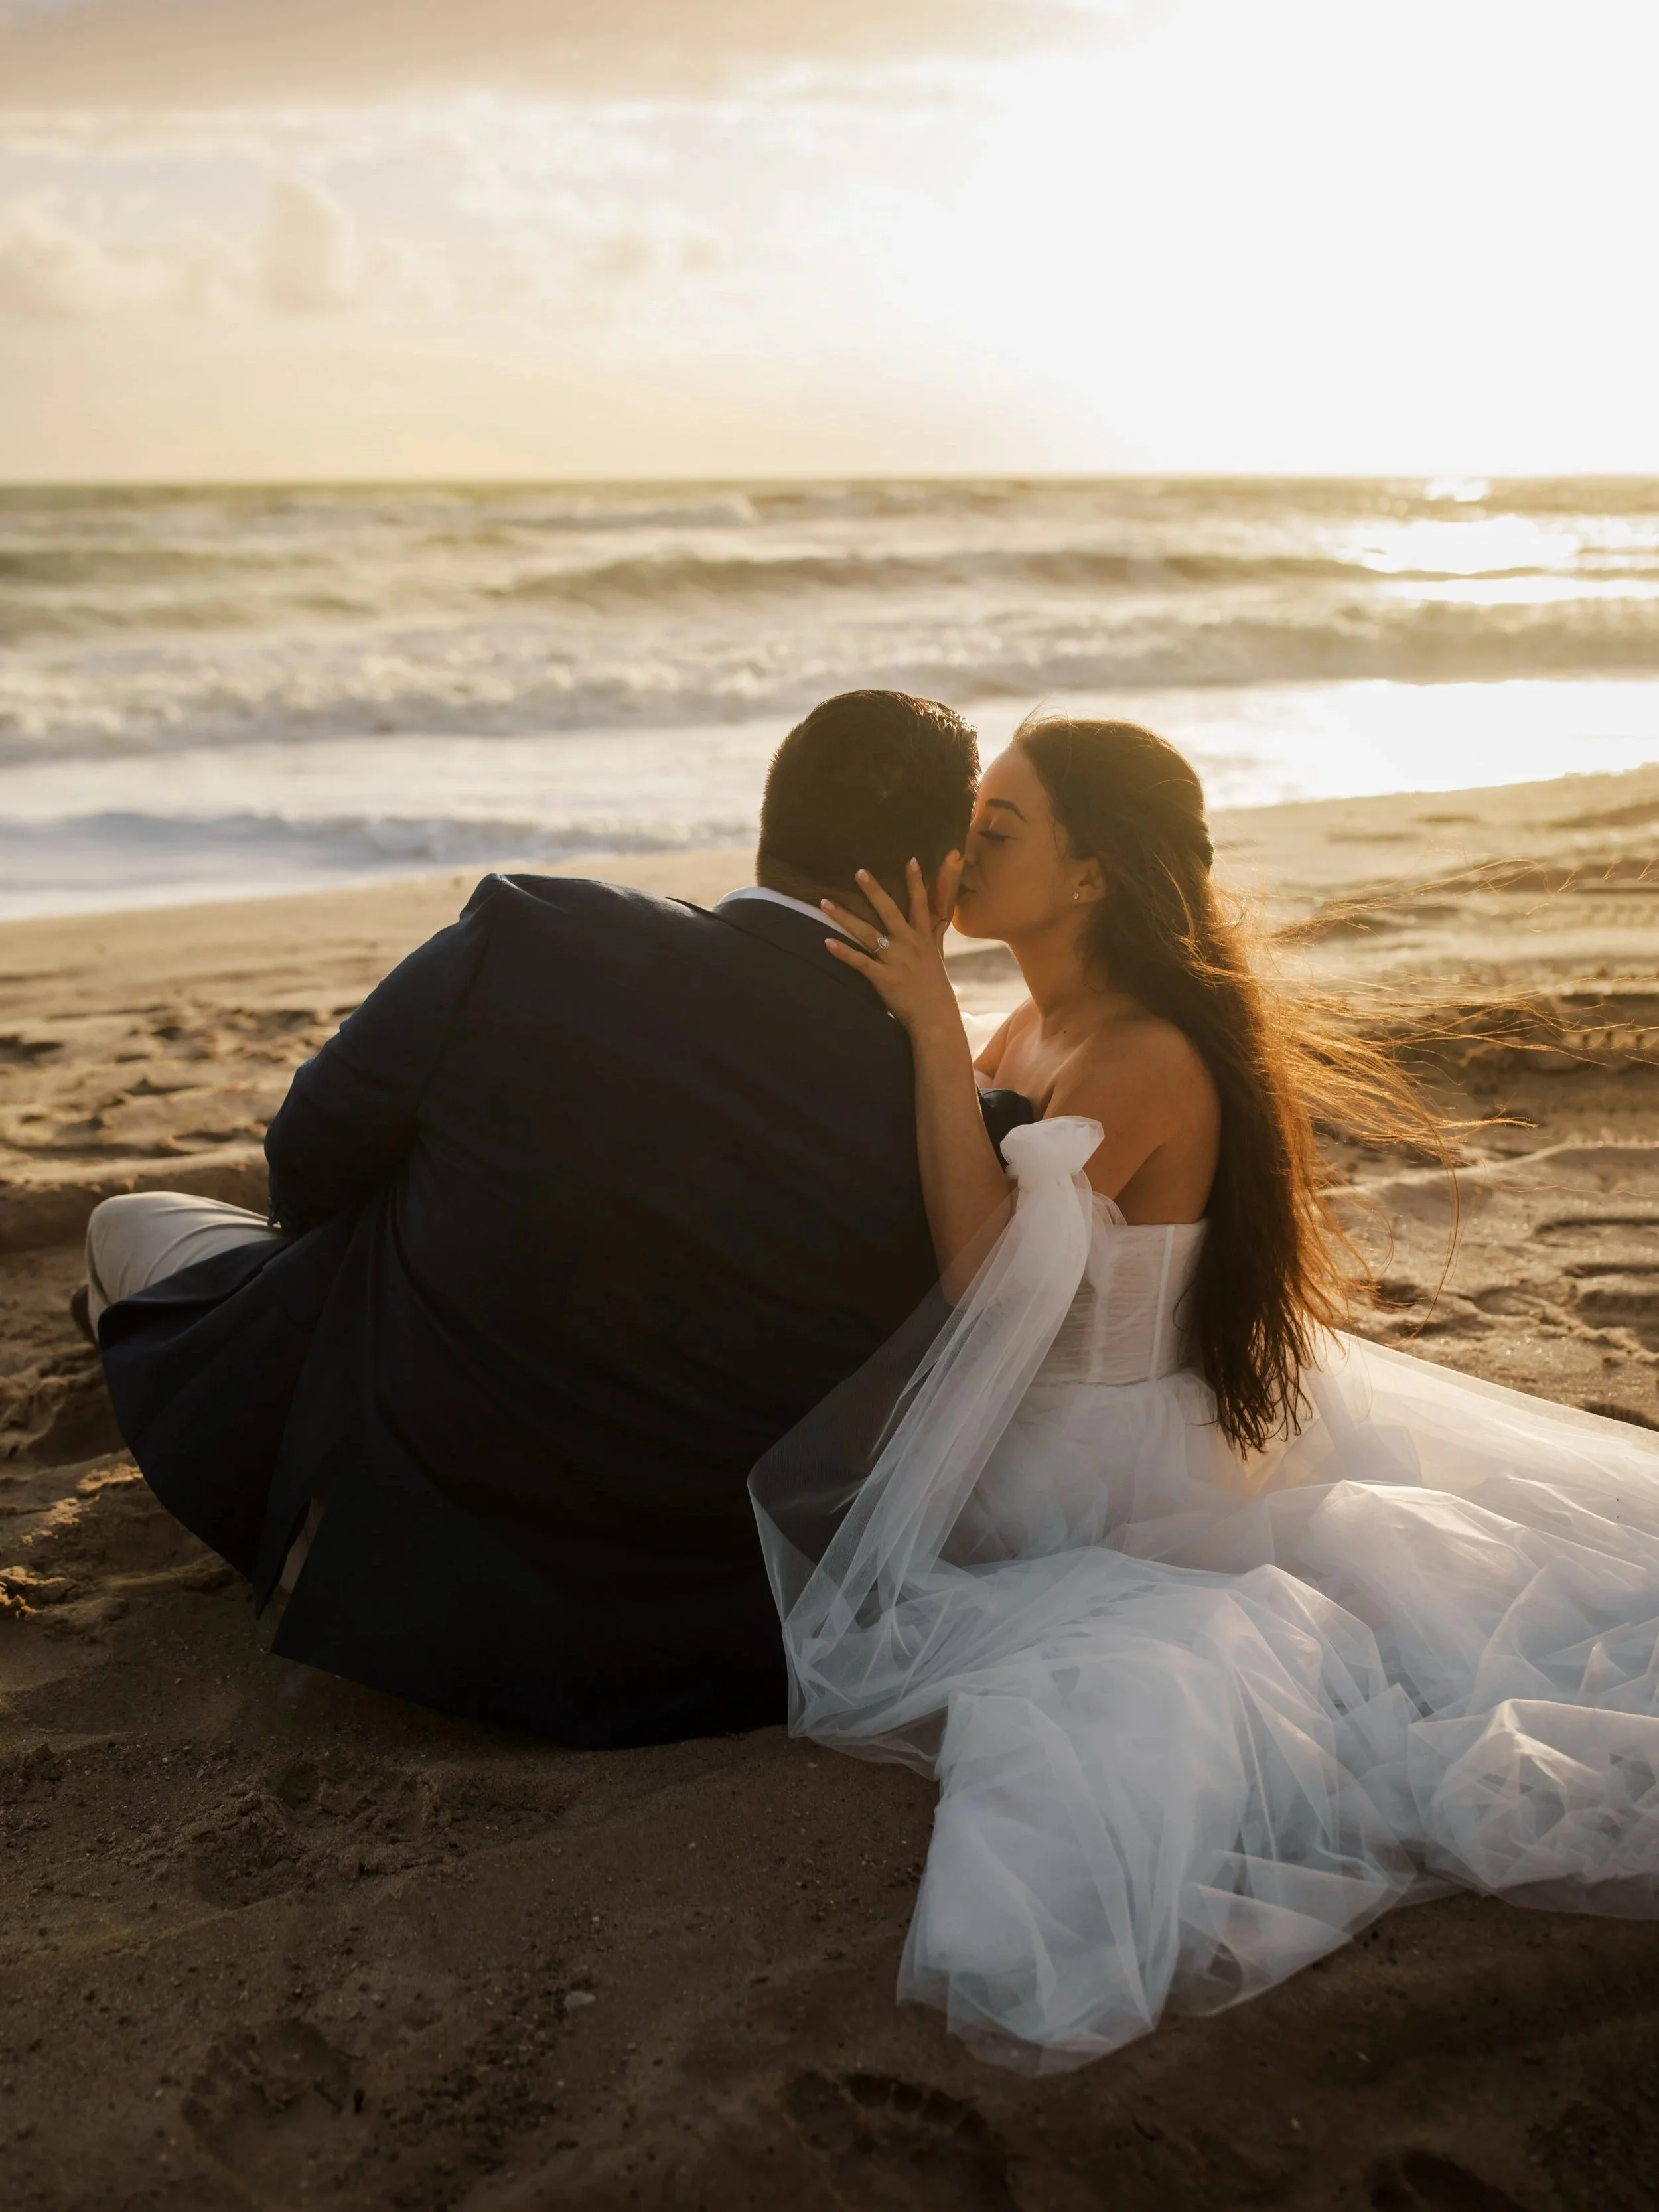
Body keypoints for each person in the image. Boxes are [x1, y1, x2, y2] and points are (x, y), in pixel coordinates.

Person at [752, 715, 1659, 2073]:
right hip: (1023, 1434)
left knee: (1133, 1681)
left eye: (995, 828)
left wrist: (931, 1026)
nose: (959, 849)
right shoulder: (1024, 1026)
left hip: (1115, 1475)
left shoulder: (1140, 1054)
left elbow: (986, 1274)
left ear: (1088, 877)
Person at [90, 689, 1033, 1747]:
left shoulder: (533, 932)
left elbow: (306, 1157)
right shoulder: (966, 1140)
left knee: (128, 1226)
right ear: (943, 882)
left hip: (393, 1569)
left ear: (771, 819)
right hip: (703, 1652)